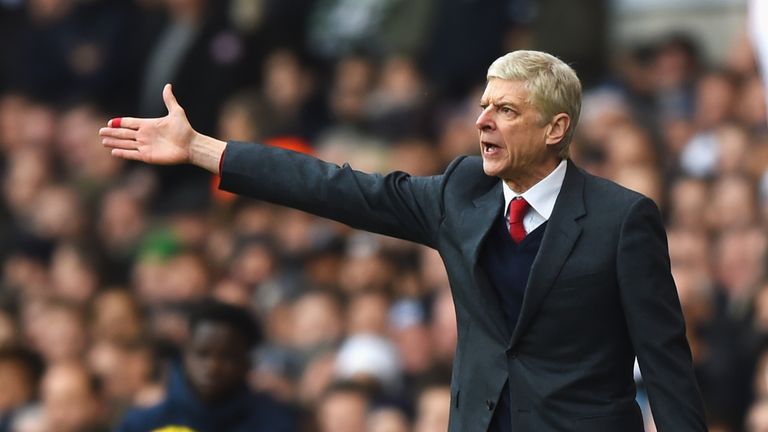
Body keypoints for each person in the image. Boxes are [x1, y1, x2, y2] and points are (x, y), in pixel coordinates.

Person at [100, 50, 707, 431]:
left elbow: (665, 362)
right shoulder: (461, 192)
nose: (482, 121)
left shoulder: (622, 219)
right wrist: (202, 149)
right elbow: (336, 188)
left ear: (556, 128)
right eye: (483, 105)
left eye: (506, 111)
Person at [116, 300, 297, 432]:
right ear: (185, 354)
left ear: (246, 364)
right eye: (202, 354)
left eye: (227, 357)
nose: (212, 367)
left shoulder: (274, 422)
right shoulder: (142, 423)